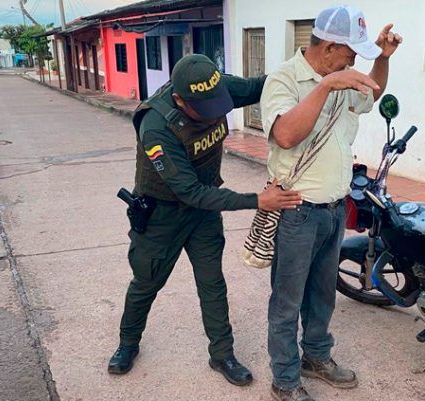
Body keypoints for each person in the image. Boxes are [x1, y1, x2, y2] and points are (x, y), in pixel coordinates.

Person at [108, 54, 303, 387]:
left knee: (212, 284)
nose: (217, 112)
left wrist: (310, 76)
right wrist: (257, 201)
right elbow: (192, 192)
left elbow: (261, 86)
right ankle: (128, 344)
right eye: (206, 108)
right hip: (162, 216)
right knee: (146, 283)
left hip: (203, 216)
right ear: (180, 99)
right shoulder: (156, 126)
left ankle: (222, 354)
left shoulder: (214, 88)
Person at [261, 6, 402, 401]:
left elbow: (373, 94)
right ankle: (285, 379)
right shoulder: (284, 80)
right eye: (351, 53)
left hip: (334, 210)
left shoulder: (340, 78)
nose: (356, 60)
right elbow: (286, 135)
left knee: (323, 294)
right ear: (328, 49)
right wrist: (325, 87)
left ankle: (316, 357)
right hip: (296, 211)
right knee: (287, 301)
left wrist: (383, 60)